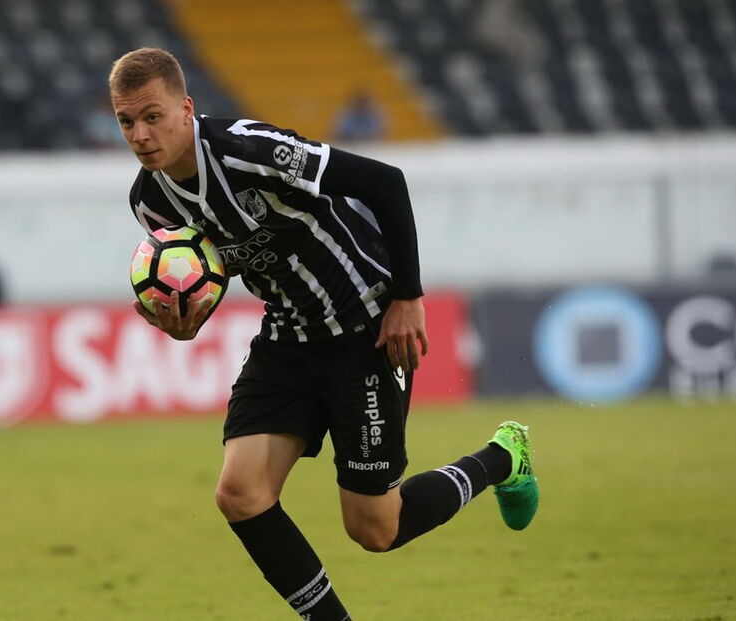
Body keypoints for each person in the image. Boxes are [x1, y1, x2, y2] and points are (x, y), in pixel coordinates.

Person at [111, 48, 539, 621]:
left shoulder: (250, 150)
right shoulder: (150, 203)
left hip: (365, 325)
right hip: (287, 335)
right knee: (240, 495)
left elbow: (386, 183)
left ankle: (501, 458)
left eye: (152, 116)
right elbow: (218, 268)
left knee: (375, 528)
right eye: (126, 122)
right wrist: (186, 322)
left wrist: (407, 297)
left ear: (185, 108)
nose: (140, 134)